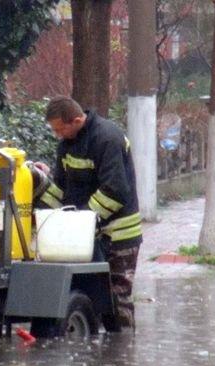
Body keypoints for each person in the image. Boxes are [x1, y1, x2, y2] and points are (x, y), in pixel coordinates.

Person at [39, 96, 141, 330]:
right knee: (89, 301)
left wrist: (83, 219)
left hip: (119, 236)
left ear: (76, 120)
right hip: (86, 237)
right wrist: (40, 200)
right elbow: (62, 192)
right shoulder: (67, 144)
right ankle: (101, 360)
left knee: (117, 303)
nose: (57, 135)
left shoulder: (107, 138)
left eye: (60, 129)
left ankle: (121, 354)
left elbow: (115, 190)